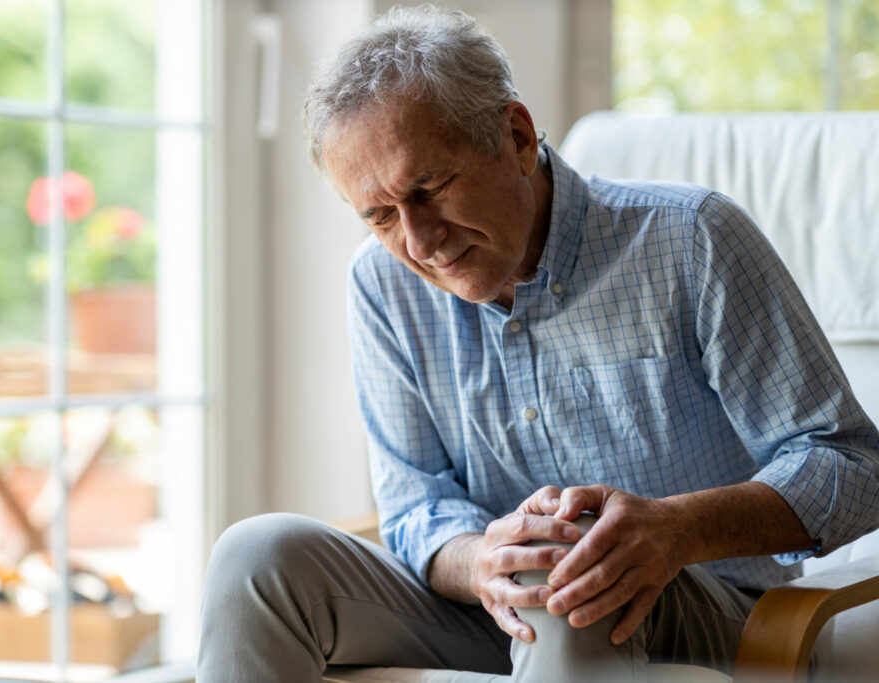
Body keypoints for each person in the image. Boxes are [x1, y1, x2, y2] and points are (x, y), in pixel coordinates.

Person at [197, 6, 879, 681]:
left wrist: (675, 528)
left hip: (710, 609)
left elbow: (853, 466)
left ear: (517, 137)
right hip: (500, 607)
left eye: (430, 187)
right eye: (379, 215)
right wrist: (481, 559)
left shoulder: (691, 241)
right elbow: (417, 504)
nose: (419, 241)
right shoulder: (381, 285)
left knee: (567, 570)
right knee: (257, 556)